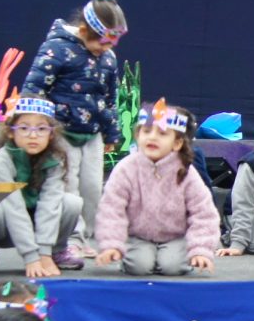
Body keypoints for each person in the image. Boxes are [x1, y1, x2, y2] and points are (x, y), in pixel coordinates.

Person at [22, 0, 127, 245]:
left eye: (110, 45)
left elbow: (110, 98)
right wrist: (37, 130)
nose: (106, 49)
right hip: (62, 133)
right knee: (67, 186)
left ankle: (91, 236)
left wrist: (112, 132)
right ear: (83, 30)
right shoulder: (56, 49)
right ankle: (71, 239)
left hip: (92, 134)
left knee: (92, 187)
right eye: (101, 44)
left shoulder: (108, 57)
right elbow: (34, 90)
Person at [94, 99, 220, 278]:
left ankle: (170, 257)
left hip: (176, 237)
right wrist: (111, 244)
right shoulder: (126, 168)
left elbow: (203, 213)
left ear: (177, 143)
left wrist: (201, 249)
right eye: (146, 131)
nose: (152, 137)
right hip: (138, 236)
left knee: (172, 267)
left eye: (162, 133)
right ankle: (141, 257)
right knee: (139, 267)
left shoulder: (186, 172)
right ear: (138, 136)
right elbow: (111, 209)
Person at [0, 95, 83, 277]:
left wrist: (43, 252)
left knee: (71, 203)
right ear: (11, 132)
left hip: (36, 224)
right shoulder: (0, 161)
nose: (33, 135)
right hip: (4, 225)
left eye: (41, 129)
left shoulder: (55, 160)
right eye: (24, 128)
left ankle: (56, 250)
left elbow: (50, 205)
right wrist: (31, 257)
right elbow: (14, 208)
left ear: (51, 134)